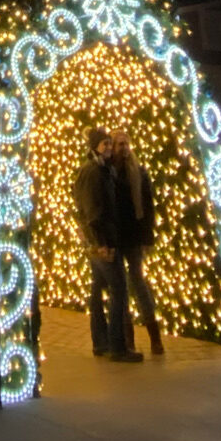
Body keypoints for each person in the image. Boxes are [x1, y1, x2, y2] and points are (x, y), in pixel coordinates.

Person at [73, 127, 142, 363]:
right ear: (95, 147)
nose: (110, 149)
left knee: (98, 289)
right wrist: (102, 242)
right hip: (102, 241)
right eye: (105, 144)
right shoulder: (93, 172)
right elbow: (94, 211)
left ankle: (101, 343)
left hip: (98, 239)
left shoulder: (102, 169)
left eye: (109, 144)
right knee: (119, 289)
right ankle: (117, 346)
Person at [110, 129, 163, 356]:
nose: (123, 148)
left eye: (126, 143)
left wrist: (147, 236)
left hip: (133, 236)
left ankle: (155, 337)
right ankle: (127, 338)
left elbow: (148, 205)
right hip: (115, 237)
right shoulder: (108, 172)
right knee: (120, 289)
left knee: (139, 283)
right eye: (119, 144)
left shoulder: (138, 172)